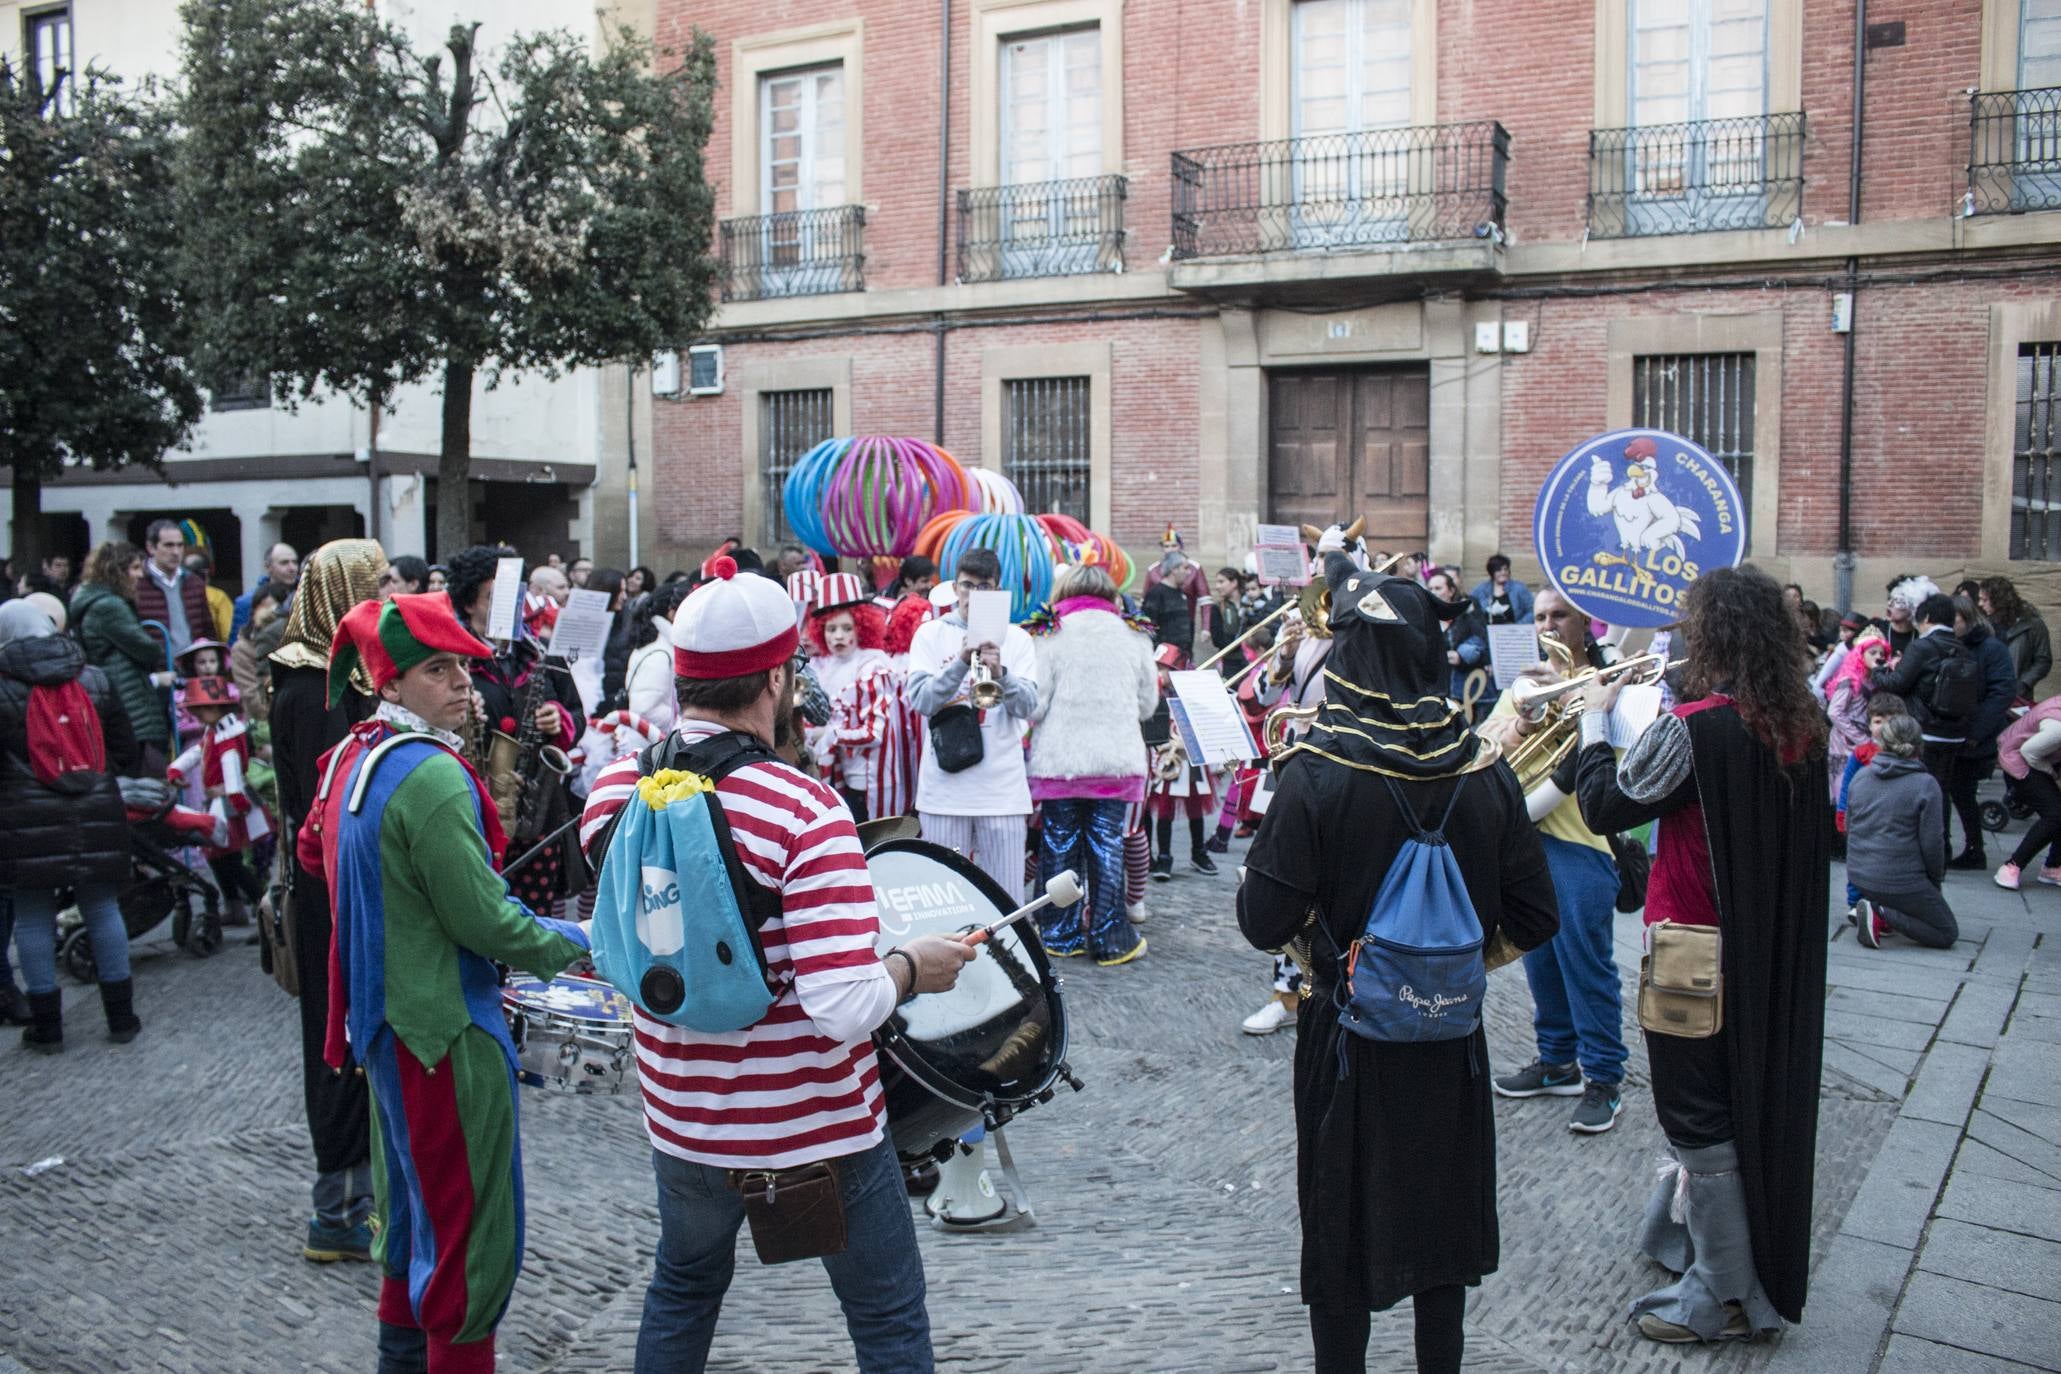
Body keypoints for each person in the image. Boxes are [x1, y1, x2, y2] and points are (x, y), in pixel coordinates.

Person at [577, 556, 978, 1374]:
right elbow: (841, 1006)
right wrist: (909, 966)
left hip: (682, 1122)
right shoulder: (804, 809)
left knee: (681, 1294)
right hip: (816, 1130)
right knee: (888, 1320)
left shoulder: (614, 789)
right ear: (775, 678)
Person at [1238, 554, 1560, 1374]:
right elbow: (1534, 916)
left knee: (1340, 1223)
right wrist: (1444, 964)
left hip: (1345, 1035)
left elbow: (1261, 920)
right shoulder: (1483, 772)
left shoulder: (1316, 772)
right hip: (1448, 1037)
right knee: (1440, 1227)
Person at [307, 592, 588, 1373]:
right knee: (470, 1239)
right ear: (389, 685)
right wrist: (581, 944)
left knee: (411, 1221)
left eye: (464, 667)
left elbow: (309, 852)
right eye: (438, 670)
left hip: (384, 1026)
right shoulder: (428, 775)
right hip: (444, 1031)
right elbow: (485, 922)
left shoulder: (349, 758)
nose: (463, 684)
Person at [1574, 564, 1829, 1345]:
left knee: (1696, 1113)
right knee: (1730, 1101)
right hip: (1764, 950)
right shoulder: (1800, 721)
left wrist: (1592, 719)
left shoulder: (1696, 726)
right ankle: (1698, 1242)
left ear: (1711, 636)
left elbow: (1603, 802)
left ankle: (1720, 1293)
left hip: (1691, 950)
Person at [268, 537, 387, 1264]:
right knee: (337, 1039)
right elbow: (334, 808)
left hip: (343, 884)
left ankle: (362, 1193)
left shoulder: (336, 679)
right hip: (330, 891)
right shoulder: (313, 693)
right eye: (371, 585)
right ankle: (337, 1207)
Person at [1481, 588, 1628, 1135]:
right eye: (1540, 616)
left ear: (1585, 622)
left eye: (1559, 615)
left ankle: (1606, 1079)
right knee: (1538, 956)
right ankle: (1558, 1062)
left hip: (1584, 839)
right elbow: (1484, 745)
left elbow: (1621, 757)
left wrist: (1589, 707)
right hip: (1525, 839)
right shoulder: (1525, 683)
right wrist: (1525, 715)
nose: (1548, 624)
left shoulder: (1614, 682)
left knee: (1585, 962)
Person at [0, 600, 143, 1052]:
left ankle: (47, 1027)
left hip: (24, 819)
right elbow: (127, 746)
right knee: (102, 907)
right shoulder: (94, 677)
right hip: (96, 807)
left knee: (32, 916)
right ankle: (122, 1017)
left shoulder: (3, 687)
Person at [1028, 563, 1157, 964]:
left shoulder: (1049, 634)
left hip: (1060, 760)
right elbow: (1148, 704)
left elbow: (1035, 705)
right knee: (1107, 848)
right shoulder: (1134, 635)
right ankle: (1109, 937)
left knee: (1059, 846)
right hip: (1115, 760)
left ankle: (1059, 934)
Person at [906, 547, 1039, 901]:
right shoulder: (931, 634)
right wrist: (961, 662)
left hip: (1003, 794)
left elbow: (1030, 707)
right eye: (967, 586)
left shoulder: (1018, 638)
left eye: (985, 587)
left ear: (997, 590)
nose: (974, 596)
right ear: (955, 587)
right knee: (944, 899)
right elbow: (921, 701)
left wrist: (1002, 674)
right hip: (944, 792)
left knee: (1006, 900)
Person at [1867, 592, 1974, 847]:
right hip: (1955, 732)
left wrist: (1876, 669)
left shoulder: (1923, 646)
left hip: (1924, 730)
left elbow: (1895, 684)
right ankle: (1943, 846)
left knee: (1916, 788)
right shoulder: (1962, 648)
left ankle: (1919, 844)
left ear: (1926, 617)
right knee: (1941, 790)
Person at [1846, 714, 1959, 949]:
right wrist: (1935, 881)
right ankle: (1880, 913)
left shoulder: (1861, 776)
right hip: (1899, 879)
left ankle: (1876, 907)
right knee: (1945, 931)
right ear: (1919, 746)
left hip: (1859, 874)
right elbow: (1933, 844)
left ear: (1881, 742)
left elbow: (1850, 825)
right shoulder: (1925, 784)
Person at [802, 573, 898, 824]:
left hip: (868, 780)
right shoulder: (821, 666)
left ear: (861, 627)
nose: (838, 636)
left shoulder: (873, 666)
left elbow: (874, 732)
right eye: (831, 629)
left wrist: (830, 734)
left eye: (846, 628)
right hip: (834, 776)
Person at [72, 541, 174, 774]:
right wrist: (155, 649)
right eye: (135, 568)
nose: (140, 575)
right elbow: (147, 649)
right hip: (131, 705)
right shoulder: (110, 606)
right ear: (116, 570)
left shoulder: (94, 602)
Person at [1945, 595, 2017, 870]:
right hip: (1952, 731)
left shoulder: (1991, 648)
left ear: (1968, 618)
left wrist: (1976, 731)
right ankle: (1968, 847)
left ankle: (1975, 848)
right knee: (1955, 791)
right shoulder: (1951, 645)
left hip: (1974, 735)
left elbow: (2003, 691)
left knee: (1962, 790)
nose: (1950, 626)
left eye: (1955, 620)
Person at [1995, 693, 2061, 889]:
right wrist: (2053, 776)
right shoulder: (2058, 727)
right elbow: (2029, 753)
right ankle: (2012, 866)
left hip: (2040, 759)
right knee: (2055, 814)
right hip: (2019, 760)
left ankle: (2053, 867)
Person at [1824, 627, 1888, 803]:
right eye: (1872, 652)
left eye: (1881, 653)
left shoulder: (1876, 679)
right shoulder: (1849, 681)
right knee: (1845, 793)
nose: (1877, 657)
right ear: (1861, 653)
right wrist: (1860, 738)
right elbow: (1834, 712)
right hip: (1845, 746)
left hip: (1866, 743)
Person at [133, 519, 213, 660]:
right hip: (156, 670)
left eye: (180, 545)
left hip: (192, 669)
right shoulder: (137, 584)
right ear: (151, 547)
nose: (176, 552)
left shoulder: (194, 582)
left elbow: (207, 628)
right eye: (168, 546)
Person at [1981, 575, 2052, 701]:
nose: (1980, 604)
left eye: (1985, 600)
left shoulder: (2033, 624)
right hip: (1989, 693)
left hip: (2018, 695)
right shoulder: (1986, 624)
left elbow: (2043, 660)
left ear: (1998, 600)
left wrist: (2024, 683)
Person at [1427, 569, 1487, 710]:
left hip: (1459, 693)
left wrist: (1462, 656)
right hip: (1430, 693)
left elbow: (1484, 648)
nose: (1433, 592)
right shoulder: (1423, 620)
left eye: (1438, 588)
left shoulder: (1465, 619)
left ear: (1451, 591)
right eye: (1430, 589)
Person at [230, 583, 288, 722]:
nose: (269, 613)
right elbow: (251, 694)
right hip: (263, 723)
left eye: (276, 608)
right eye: (265, 607)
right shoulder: (243, 648)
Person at [233, 542, 301, 643]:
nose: (292, 568)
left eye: (295, 562)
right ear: (268, 567)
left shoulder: (306, 596)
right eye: (284, 563)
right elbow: (235, 642)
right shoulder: (246, 602)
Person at [1142, 550, 1196, 661]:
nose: (1189, 572)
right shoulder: (1156, 593)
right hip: (1164, 660)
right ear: (1174, 569)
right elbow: (1147, 628)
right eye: (1185, 568)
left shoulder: (1181, 593)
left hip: (1183, 658)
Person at [1470, 553, 1534, 626]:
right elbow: (1469, 605)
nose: (1503, 572)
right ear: (1492, 572)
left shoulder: (1519, 588)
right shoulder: (1481, 589)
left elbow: (1532, 611)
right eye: (1499, 570)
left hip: (1513, 633)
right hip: (1487, 633)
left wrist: (1518, 626)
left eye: (1505, 569)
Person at [186, 548, 235, 640]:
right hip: (209, 650)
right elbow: (228, 634)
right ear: (206, 573)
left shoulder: (174, 594)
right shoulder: (217, 597)